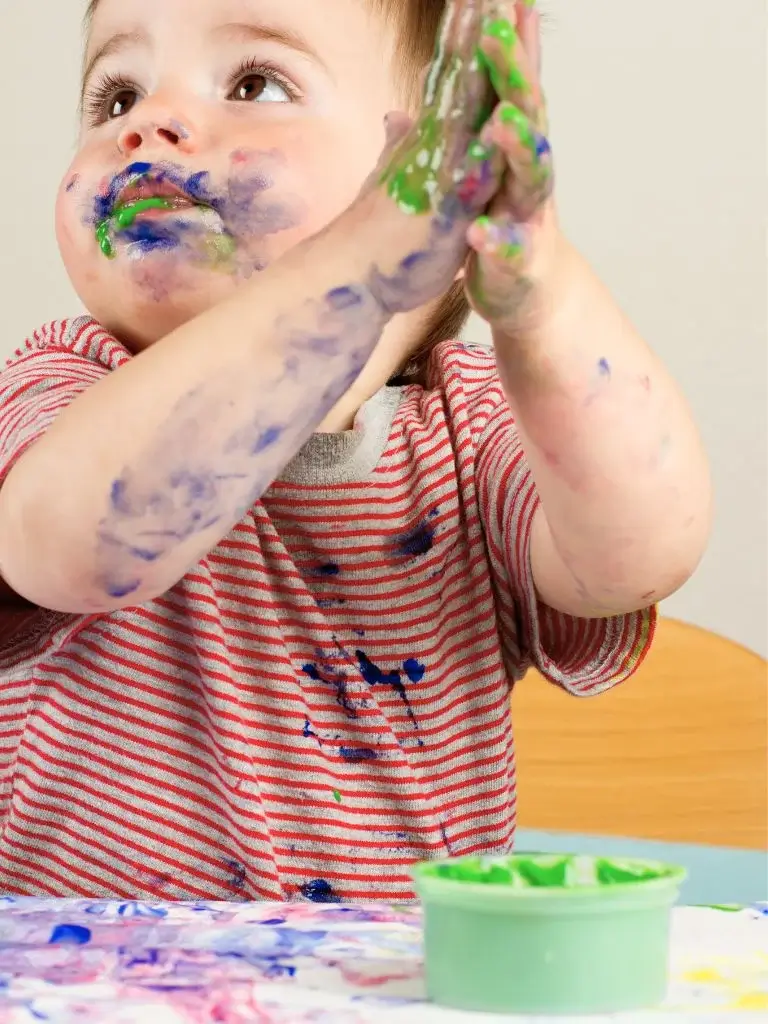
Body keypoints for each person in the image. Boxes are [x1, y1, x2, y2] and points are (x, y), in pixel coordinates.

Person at [0, 0, 710, 901]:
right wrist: (353, 264)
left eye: (254, 83)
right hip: (89, 970)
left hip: (392, 972)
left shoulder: (471, 431)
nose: (148, 122)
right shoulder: (64, 389)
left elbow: (641, 552)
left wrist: (543, 294)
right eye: (116, 95)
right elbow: (75, 547)